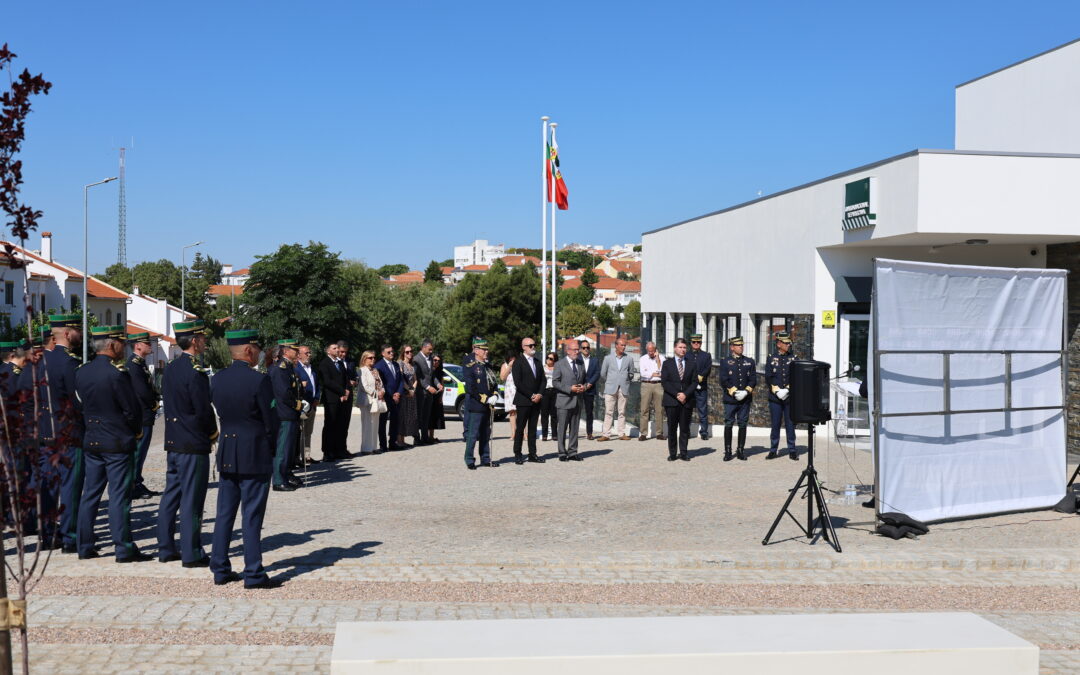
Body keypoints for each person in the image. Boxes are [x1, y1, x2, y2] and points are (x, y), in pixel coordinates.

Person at [75, 326, 150, 562]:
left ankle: (84, 545)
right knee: (119, 496)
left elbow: (79, 405)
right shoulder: (117, 374)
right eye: (121, 342)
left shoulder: (82, 372)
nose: (123, 347)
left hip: (93, 439)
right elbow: (132, 410)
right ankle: (123, 548)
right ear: (110, 345)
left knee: (90, 495)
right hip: (116, 441)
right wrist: (134, 432)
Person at [209, 329, 278, 589]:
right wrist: (272, 450)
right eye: (257, 349)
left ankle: (220, 568)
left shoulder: (217, 379)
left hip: (228, 449)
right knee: (252, 515)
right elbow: (270, 422)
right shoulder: (259, 380)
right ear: (248, 350)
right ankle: (253, 572)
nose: (259, 353)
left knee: (224, 514)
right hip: (254, 452)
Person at [157, 319, 218, 566]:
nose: (205, 342)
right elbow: (203, 409)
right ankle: (191, 552)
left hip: (174, 440)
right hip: (192, 442)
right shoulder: (196, 371)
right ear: (194, 341)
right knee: (192, 499)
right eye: (202, 338)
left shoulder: (171, 368)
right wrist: (212, 433)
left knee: (171, 496)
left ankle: (165, 547)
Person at [42, 314, 84, 553]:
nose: (81, 334)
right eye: (77, 330)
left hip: (45, 432)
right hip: (68, 433)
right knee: (70, 486)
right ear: (67, 334)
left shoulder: (38, 362)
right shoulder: (69, 363)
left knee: (48, 485)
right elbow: (77, 401)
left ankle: (48, 534)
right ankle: (69, 536)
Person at [270, 339, 308, 492]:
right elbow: (284, 394)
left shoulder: (289, 367)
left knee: (289, 448)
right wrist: (298, 405)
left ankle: (286, 474)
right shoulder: (280, 368)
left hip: (291, 413)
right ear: (285, 351)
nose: (297, 352)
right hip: (284, 413)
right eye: (294, 349)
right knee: (283, 449)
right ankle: (279, 480)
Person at [126, 332, 160, 500]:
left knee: (142, 450)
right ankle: (133, 484)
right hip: (141, 415)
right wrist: (154, 404)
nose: (150, 346)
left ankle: (137, 481)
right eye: (147, 343)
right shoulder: (133, 365)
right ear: (138, 345)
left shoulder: (140, 363)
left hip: (144, 414)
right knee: (139, 451)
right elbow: (142, 391)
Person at [462, 337, 498, 469]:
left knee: (485, 434)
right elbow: (470, 388)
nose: (486, 352)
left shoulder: (488, 367)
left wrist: (495, 395)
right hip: (476, 406)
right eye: (484, 349)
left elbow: (494, 383)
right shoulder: (470, 367)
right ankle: (469, 459)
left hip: (487, 407)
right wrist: (485, 399)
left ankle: (485, 458)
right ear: (476, 350)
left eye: (487, 349)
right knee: (472, 435)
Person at [720, 336, 756, 462]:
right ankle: (728, 451)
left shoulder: (749, 361)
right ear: (732, 347)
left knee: (743, 424)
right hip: (731, 399)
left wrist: (746, 391)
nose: (741, 347)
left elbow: (753, 379)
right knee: (729, 423)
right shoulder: (725, 362)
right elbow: (723, 380)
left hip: (745, 399)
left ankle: (740, 450)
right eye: (738, 345)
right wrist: (734, 391)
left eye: (742, 345)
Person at [510, 337, 545, 464]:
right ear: (523, 347)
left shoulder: (537, 362)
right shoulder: (518, 362)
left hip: (536, 401)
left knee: (533, 429)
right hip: (524, 400)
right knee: (520, 428)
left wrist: (539, 394)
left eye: (534, 345)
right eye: (530, 345)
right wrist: (531, 395)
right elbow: (518, 383)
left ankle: (532, 454)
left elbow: (543, 380)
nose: (533, 347)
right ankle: (518, 454)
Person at [661, 337, 697, 462]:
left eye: (684, 347)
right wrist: (677, 394)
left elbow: (694, 382)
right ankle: (672, 453)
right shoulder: (667, 364)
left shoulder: (692, 363)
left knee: (684, 428)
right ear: (675, 348)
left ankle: (683, 452)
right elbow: (665, 382)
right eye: (680, 347)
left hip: (686, 401)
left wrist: (685, 394)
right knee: (672, 428)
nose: (683, 350)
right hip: (672, 400)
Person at [766, 331, 798, 460]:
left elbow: (797, 377)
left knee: (790, 425)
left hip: (789, 398)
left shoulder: (793, 358)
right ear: (779, 344)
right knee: (775, 424)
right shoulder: (771, 358)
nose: (788, 345)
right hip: (775, 398)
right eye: (786, 343)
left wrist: (788, 389)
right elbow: (768, 376)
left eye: (789, 343)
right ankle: (773, 450)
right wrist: (776, 390)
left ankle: (792, 450)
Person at [553, 339, 586, 462]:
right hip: (564, 401)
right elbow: (555, 382)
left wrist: (583, 387)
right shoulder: (559, 364)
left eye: (578, 349)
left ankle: (572, 452)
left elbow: (584, 380)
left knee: (574, 428)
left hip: (577, 401)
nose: (577, 352)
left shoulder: (580, 363)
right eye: (574, 350)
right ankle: (562, 453)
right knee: (562, 428)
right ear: (568, 351)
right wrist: (569, 389)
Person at [597, 337, 636, 441]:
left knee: (622, 412)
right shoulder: (608, 358)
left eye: (625, 345)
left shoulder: (629, 359)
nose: (624, 347)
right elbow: (603, 373)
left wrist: (625, 380)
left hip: (623, 388)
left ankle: (621, 433)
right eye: (622, 345)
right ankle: (606, 434)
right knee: (608, 411)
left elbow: (631, 373)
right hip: (610, 387)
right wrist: (611, 380)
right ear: (616, 346)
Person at [318, 342, 348, 461]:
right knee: (330, 425)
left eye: (337, 348)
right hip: (331, 398)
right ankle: (327, 452)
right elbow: (327, 381)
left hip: (342, 398)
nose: (337, 350)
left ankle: (338, 450)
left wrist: (346, 390)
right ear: (328, 351)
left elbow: (345, 378)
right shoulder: (324, 363)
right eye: (334, 348)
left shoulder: (339, 363)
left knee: (340, 424)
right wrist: (342, 391)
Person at [375, 345, 405, 452]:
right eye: (389, 352)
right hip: (386, 398)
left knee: (395, 421)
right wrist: (392, 395)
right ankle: (383, 445)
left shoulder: (396, 364)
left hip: (396, 398)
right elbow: (381, 383)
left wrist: (398, 393)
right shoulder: (379, 366)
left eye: (392, 351)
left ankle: (393, 443)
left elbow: (401, 380)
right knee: (382, 422)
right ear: (383, 354)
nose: (392, 353)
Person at [295, 345, 320, 465]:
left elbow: (317, 385)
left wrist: (317, 397)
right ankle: (297, 457)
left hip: (312, 404)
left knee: (308, 432)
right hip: (302, 405)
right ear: (299, 355)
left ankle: (306, 456)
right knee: (300, 432)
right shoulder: (296, 368)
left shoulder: (312, 368)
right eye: (306, 353)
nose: (309, 355)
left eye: (310, 353)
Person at [638, 341, 665, 442]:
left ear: (656, 350)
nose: (650, 353)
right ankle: (643, 433)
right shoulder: (643, 359)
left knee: (659, 409)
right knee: (644, 409)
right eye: (649, 351)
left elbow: (662, 371)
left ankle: (659, 433)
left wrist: (657, 359)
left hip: (658, 385)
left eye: (652, 351)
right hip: (646, 384)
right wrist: (654, 374)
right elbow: (643, 373)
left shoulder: (662, 358)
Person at [412, 340, 437, 445]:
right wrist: (428, 387)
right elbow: (418, 377)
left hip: (429, 393)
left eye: (432, 350)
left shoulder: (430, 358)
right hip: (420, 392)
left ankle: (425, 437)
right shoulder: (416, 359)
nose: (431, 351)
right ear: (423, 347)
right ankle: (416, 438)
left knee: (426, 416)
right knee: (418, 416)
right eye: (429, 349)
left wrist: (438, 384)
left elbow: (432, 375)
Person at [357, 350, 381, 454]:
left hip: (376, 400)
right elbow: (364, 386)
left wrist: (382, 391)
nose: (373, 359)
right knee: (367, 424)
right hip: (366, 400)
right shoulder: (361, 370)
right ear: (364, 359)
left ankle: (374, 447)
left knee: (375, 424)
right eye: (370, 358)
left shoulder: (375, 370)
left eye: (374, 357)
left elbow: (380, 383)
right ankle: (366, 448)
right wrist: (375, 392)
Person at [688, 333, 712, 440]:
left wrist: (699, 378)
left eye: (698, 342)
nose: (696, 344)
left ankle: (704, 432)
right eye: (694, 342)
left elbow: (707, 369)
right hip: (689, 387)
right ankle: (686, 431)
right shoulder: (686, 355)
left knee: (702, 410)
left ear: (701, 343)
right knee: (688, 410)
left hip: (701, 387)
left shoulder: (706, 355)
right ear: (691, 343)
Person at [337, 341, 358, 452]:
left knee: (345, 423)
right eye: (341, 352)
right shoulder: (334, 362)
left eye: (345, 352)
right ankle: (334, 450)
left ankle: (343, 448)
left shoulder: (350, 362)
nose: (343, 354)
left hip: (349, 395)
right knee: (336, 424)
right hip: (337, 396)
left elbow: (355, 376)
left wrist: (354, 381)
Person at [397, 345, 420, 447]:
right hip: (404, 393)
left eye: (411, 351)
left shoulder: (412, 365)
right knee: (401, 416)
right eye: (407, 352)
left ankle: (403, 439)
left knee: (408, 417)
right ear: (403, 353)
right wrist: (409, 389)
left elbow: (415, 379)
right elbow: (401, 378)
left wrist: (413, 390)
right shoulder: (400, 363)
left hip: (411, 394)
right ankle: (399, 440)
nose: (410, 353)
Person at [577, 339, 600, 439]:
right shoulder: (577, 359)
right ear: (580, 349)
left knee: (589, 412)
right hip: (578, 389)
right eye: (584, 348)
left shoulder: (595, 360)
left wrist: (590, 383)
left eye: (587, 347)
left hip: (590, 389)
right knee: (576, 412)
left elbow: (597, 373)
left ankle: (589, 433)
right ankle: (574, 432)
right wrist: (580, 385)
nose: (586, 349)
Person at [428, 353, 446, 441]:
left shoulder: (440, 371)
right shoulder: (428, 370)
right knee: (428, 416)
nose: (436, 362)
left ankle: (431, 436)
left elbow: (442, 384)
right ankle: (426, 436)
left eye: (439, 361)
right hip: (428, 394)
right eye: (435, 360)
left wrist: (441, 397)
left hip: (437, 395)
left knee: (434, 416)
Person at [540, 352, 557, 441]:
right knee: (544, 414)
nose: (548, 360)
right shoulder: (542, 368)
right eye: (547, 357)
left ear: (554, 360)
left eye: (551, 358)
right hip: (545, 391)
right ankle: (544, 434)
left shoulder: (557, 368)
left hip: (554, 391)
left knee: (554, 414)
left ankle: (554, 434)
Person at [501, 352, 517, 445]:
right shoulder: (505, 365)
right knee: (512, 412)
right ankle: (513, 433)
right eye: (511, 358)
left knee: (521, 412)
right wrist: (509, 367)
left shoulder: (519, 364)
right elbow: (502, 377)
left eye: (514, 358)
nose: (512, 360)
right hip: (509, 390)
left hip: (518, 390)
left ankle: (524, 433)